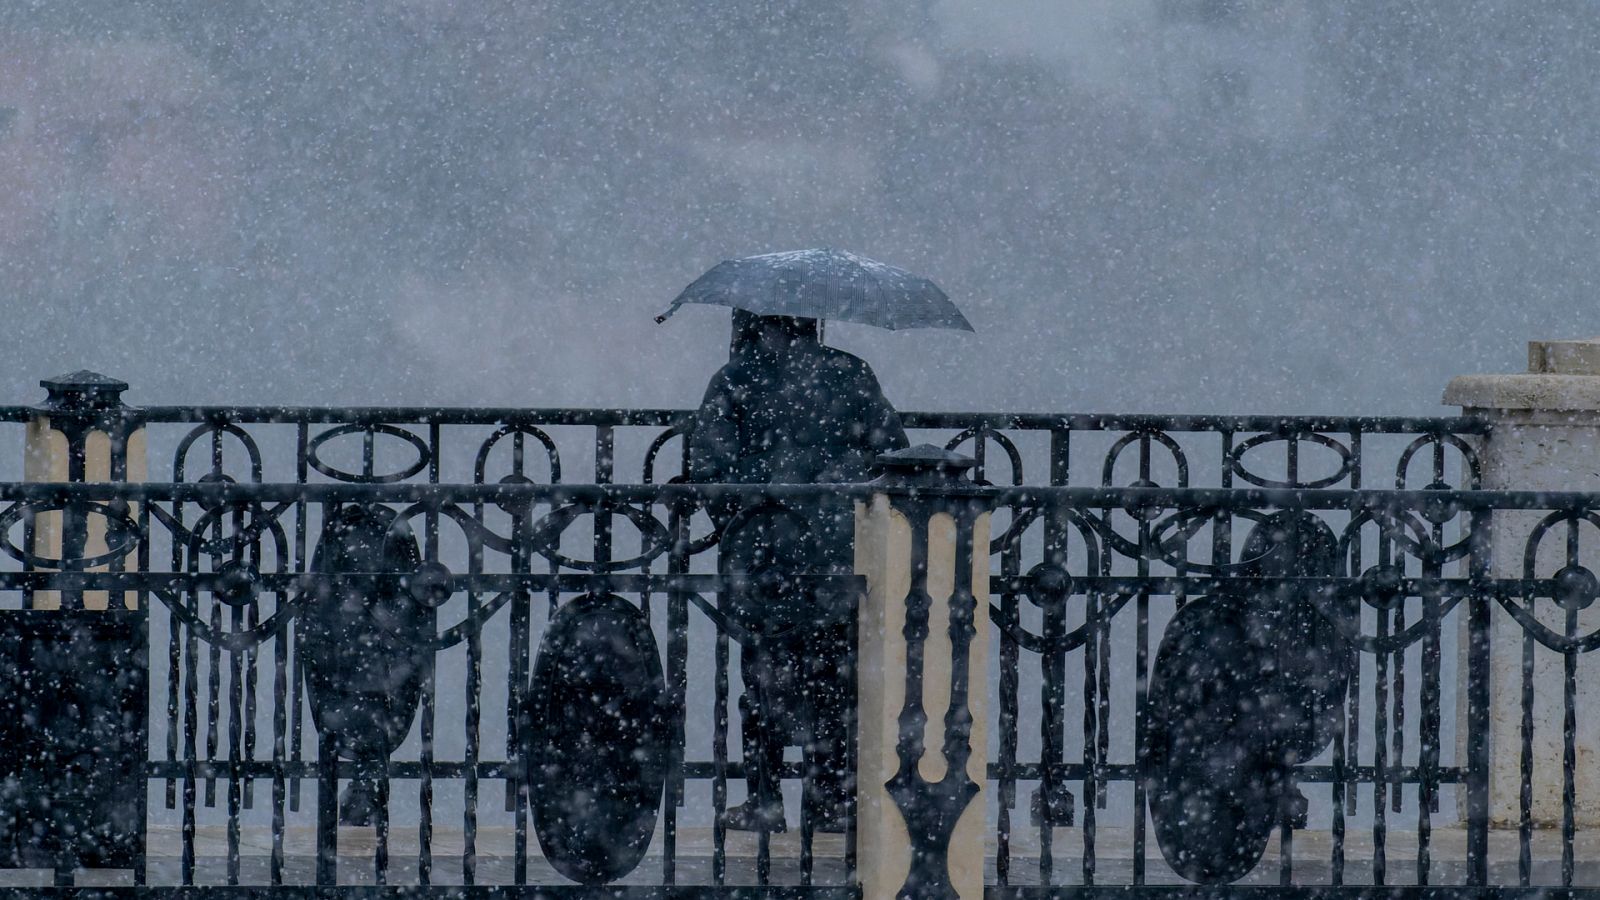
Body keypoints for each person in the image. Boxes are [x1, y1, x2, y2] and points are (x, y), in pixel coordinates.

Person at [688, 310, 908, 832]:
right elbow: (894, 454)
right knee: (836, 676)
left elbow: (708, 469)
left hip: (764, 557)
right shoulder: (852, 372)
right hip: (837, 555)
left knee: (763, 677)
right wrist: (843, 514)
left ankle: (765, 799)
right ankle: (832, 796)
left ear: (754, 323)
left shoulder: (736, 379)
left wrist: (746, 523)